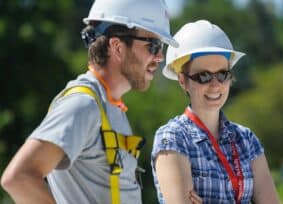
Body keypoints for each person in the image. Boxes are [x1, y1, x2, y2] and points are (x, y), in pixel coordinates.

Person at [0, 0, 180, 204]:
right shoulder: (83, 105)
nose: (159, 57)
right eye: (153, 46)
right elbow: (18, 178)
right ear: (117, 47)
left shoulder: (109, 107)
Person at [151, 20, 279, 204]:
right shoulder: (172, 138)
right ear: (182, 81)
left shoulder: (247, 139)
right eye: (203, 76)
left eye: (222, 74)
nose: (215, 85)